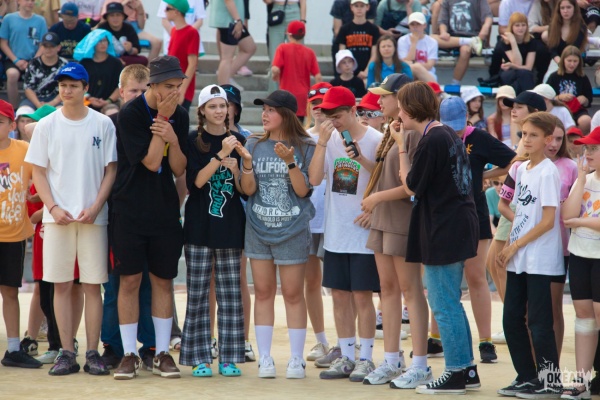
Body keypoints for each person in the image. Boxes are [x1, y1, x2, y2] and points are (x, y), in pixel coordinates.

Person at [25, 62, 117, 376]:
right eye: (63, 85)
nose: (67, 90)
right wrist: (52, 208)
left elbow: (111, 169)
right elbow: (38, 171)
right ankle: (66, 352)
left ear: (85, 88)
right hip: (57, 219)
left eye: (73, 85)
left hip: (93, 218)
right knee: (61, 285)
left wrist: (96, 206)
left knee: (92, 286)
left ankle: (92, 352)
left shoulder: (102, 123)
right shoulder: (47, 124)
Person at [392, 81, 480, 394]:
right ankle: (467, 369)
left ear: (410, 108)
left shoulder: (431, 139)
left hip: (445, 228)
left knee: (443, 304)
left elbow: (411, 184)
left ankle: (456, 372)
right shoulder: (444, 133)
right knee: (450, 302)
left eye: (401, 107)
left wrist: (401, 146)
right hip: (456, 224)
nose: (398, 113)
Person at [110, 56, 188, 380]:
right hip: (128, 209)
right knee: (129, 281)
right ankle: (129, 353)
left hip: (164, 210)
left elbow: (179, 168)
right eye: (169, 86)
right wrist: (163, 121)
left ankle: (162, 352)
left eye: (178, 86)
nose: (174, 92)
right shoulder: (130, 114)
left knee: (162, 281)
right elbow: (152, 161)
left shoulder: (180, 114)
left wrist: (173, 137)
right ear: (153, 85)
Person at [360, 74, 433, 389]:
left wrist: (376, 198)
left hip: (403, 221)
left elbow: (411, 186)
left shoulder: (413, 134)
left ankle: (420, 364)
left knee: (410, 291)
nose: (379, 102)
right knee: (387, 290)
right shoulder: (393, 129)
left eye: (384, 96)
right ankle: (391, 360)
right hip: (383, 219)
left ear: (401, 98)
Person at [240, 90, 316, 379]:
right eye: (264, 110)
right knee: (262, 292)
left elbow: (303, 191)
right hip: (258, 228)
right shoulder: (253, 143)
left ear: (286, 114)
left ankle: (296, 358)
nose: (265, 114)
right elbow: (247, 190)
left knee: (294, 294)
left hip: (292, 229)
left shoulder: (305, 146)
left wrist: (290, 162)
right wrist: (247, 163)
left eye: (271, 110)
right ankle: (265, 358)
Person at [309, 86, 382, 383]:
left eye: (337, 115)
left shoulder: (376, 139)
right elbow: (315, 178)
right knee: (339, 295)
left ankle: (366, 358)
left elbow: (384, 179)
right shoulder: (328, 139)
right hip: (336, 230)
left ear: (353, 111)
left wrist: (375, 210)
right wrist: (322, 143)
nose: (333, 121)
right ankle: (347, 356)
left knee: (362, 296)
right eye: (328, 115)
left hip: (363, 232)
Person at [180, 85, 246, 377]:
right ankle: (199, 357)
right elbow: (195, 182)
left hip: (230, 226)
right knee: (197, 295)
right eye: (213, 106)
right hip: (199, 226)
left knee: (230, 296)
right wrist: (220, 156)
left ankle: (229, 357)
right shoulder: (193, 139)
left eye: (223, 106)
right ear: (202, 111)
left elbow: (245, 190)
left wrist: (239, 168)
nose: (220, 111)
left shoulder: (239, 140)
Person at [496, 112, 563, 398]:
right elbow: (519, 211)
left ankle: (551, 382)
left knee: (539, 322)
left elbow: (548, 221)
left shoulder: (548, 171)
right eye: (524, 134)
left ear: (548, 139)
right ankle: (527, 376)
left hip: (540, 259)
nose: (527, 139)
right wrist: (512, 243)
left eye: (533, 135)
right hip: (520, 256)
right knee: (511, 318)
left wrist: (515, 245)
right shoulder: (522, 169)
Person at [99, 64, 158, 372]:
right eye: (133, 90)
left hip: (153, 213)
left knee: (149, 283)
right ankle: (114, 346)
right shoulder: (109, 125)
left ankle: (151, 346)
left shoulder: (159, 125)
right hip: (118, 214)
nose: (138, 95)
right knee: (116, 284)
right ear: (121, 92)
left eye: (144, 90)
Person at [0, 99, 42, 370]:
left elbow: (42, 179)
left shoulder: (24, 150)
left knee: (10, 292)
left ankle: (14, 349)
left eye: (0, 122)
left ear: (12, 125)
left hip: (13, 236)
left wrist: (38, 197)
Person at [560, 126, 600, 400]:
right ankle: (582, 380)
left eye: (594, 148)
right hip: (580, 254)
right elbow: (567, 215)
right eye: (587, 148)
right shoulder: (584, 179)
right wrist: (582, 178)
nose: (587, 153)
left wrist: (580, 221)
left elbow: (575, 219)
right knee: (584, 316)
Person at [304, 82, 332, 363]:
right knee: (311, 281)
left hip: (337, 219)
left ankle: (350, 343)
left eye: (323, 104)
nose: (319, 109)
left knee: (344, 286)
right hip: (310, 218)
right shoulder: (303, 137)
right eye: (314, 104)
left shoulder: (346, 137)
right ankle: (321, 341)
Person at [431, 0, 493, 85]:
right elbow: (442, 21)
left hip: (473, 35)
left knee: (465, 50)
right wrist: (443, 32)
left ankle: (455, 83)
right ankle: (471, 42)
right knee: (432, 38)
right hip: (453, 38)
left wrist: (485, 28)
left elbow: (488, 16)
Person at [0, 0, 48, 108]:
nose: (30, 3)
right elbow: (3, 43)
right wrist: (16, 60)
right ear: (19, 1)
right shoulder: (9, 19)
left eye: (32, 1)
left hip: (34, 59)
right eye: (27, 0)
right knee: (12, 74)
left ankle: (36, 105)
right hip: (13, 59)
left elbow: (43, 45)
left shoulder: (40, 20)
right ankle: (14, 107)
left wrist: (33, 61)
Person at [271, 20, 321, 121]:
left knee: (285, 125)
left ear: (289, 35)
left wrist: (274, 76)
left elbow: (275, 69)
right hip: (302, 96)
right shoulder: (310, 52)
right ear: (303, 35)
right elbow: (318, 76)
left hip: (285, 96)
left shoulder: (282, 48)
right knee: (298, 125)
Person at [547, 45, 593, 134]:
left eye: (575, 61)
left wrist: (584, 99)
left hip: (577, 109)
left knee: (586, 121)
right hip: (559, 108)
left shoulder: (582, 77)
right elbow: (547, 98)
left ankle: (577, 139)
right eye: (569, 61)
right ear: (563, 60)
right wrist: (559, 97)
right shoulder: (554, 77)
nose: (572, 64)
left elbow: (589, 99)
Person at [163, 0, 199, 112]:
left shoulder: (191, 32)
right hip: (171, 85)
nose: (165, 11)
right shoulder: (174, 31)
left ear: (176, 12)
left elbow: (192, 64)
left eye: (168, 8)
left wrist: (181, 91)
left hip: (182, 88)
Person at [210, 0, 256, 86]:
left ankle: (226, 78)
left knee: (249, 48)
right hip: (228, 21)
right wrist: (237, 20)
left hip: (232, 20)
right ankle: (224, 87)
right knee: (226, 58)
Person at [488, 12, 536, 94]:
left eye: (523, 25)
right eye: (517, 25)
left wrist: (512, 65)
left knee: (523, 76)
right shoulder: (504, 41)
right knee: (522, 76)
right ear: (511, 27)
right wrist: (513, 41)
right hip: (508, 72)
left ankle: (523, 98)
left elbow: (528, 67)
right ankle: (528, 98)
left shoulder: (531, 41)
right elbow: (518, 63)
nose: (520, 28)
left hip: (525, 73)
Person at [77, 30, 124, 112]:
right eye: (99, 41)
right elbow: (78, 84)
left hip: (110, 102)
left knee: (111, 111)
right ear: (93, 43)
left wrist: (108, 101)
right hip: (87, 101)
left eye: (105, 41)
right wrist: (89, 98)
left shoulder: (116, 63)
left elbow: (120, 85)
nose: (103, 44)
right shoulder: (84, 63)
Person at [336, 0, 381, 79]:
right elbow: (342, 53)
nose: (359, 9)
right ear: (351, 7)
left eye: (362, 6)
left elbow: (375, 53)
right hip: (349, 71)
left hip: (368, 71)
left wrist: (367, 71)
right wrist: (349, 70)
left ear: (367, 7)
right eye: (356, 6)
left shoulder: (373, 29)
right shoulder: (344, 29)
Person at [22, 32, 68, 109]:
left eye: (52, 46)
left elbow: (66, 87)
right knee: (23, 111)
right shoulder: (33, 63)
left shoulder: (64, 64)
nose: (48, 49)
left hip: (57, 99)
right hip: (35, 99)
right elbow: (28, 88)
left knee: (61, 112)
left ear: (58, 47)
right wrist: (38, 104)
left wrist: (51, 103)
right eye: (45, 46)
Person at [397, 12, 438, 83]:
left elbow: (429, 65)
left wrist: (415, 66)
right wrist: (414, 44)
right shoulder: (402, 40)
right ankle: (437, 90)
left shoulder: (432, 42)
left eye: (418, 24)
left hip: (427, 72)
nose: (415, 27)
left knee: (417, 68)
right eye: (412, 24)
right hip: (408, 72)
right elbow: (404, 65)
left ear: (424, 25)